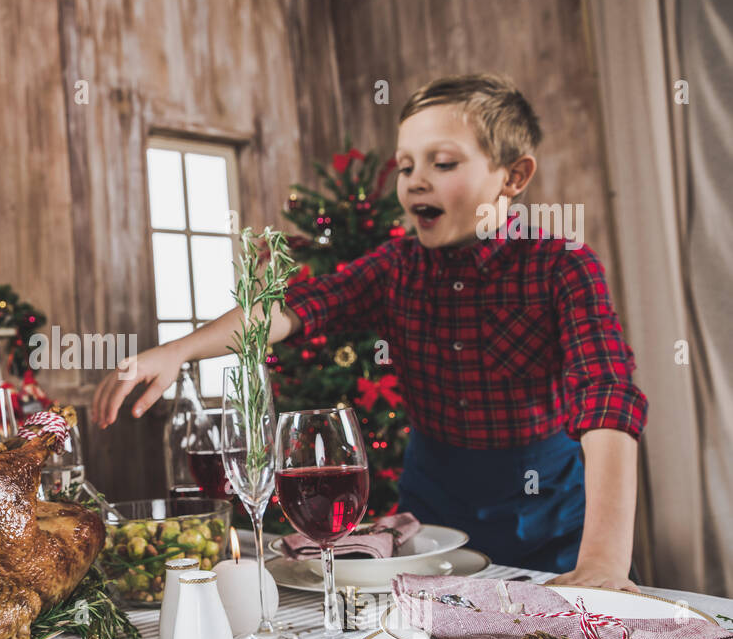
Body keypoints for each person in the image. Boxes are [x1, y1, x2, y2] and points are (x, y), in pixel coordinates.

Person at [94, 74, 646, 592]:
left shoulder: (563, 265)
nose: (416, 181)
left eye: (444, 162)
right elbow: (287, 310)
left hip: (549, 525)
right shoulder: (394, 265)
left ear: (514, 176)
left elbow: (608, 397)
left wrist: (600, 560)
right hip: (433, 525)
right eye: (406, 167)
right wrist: (179, 351)